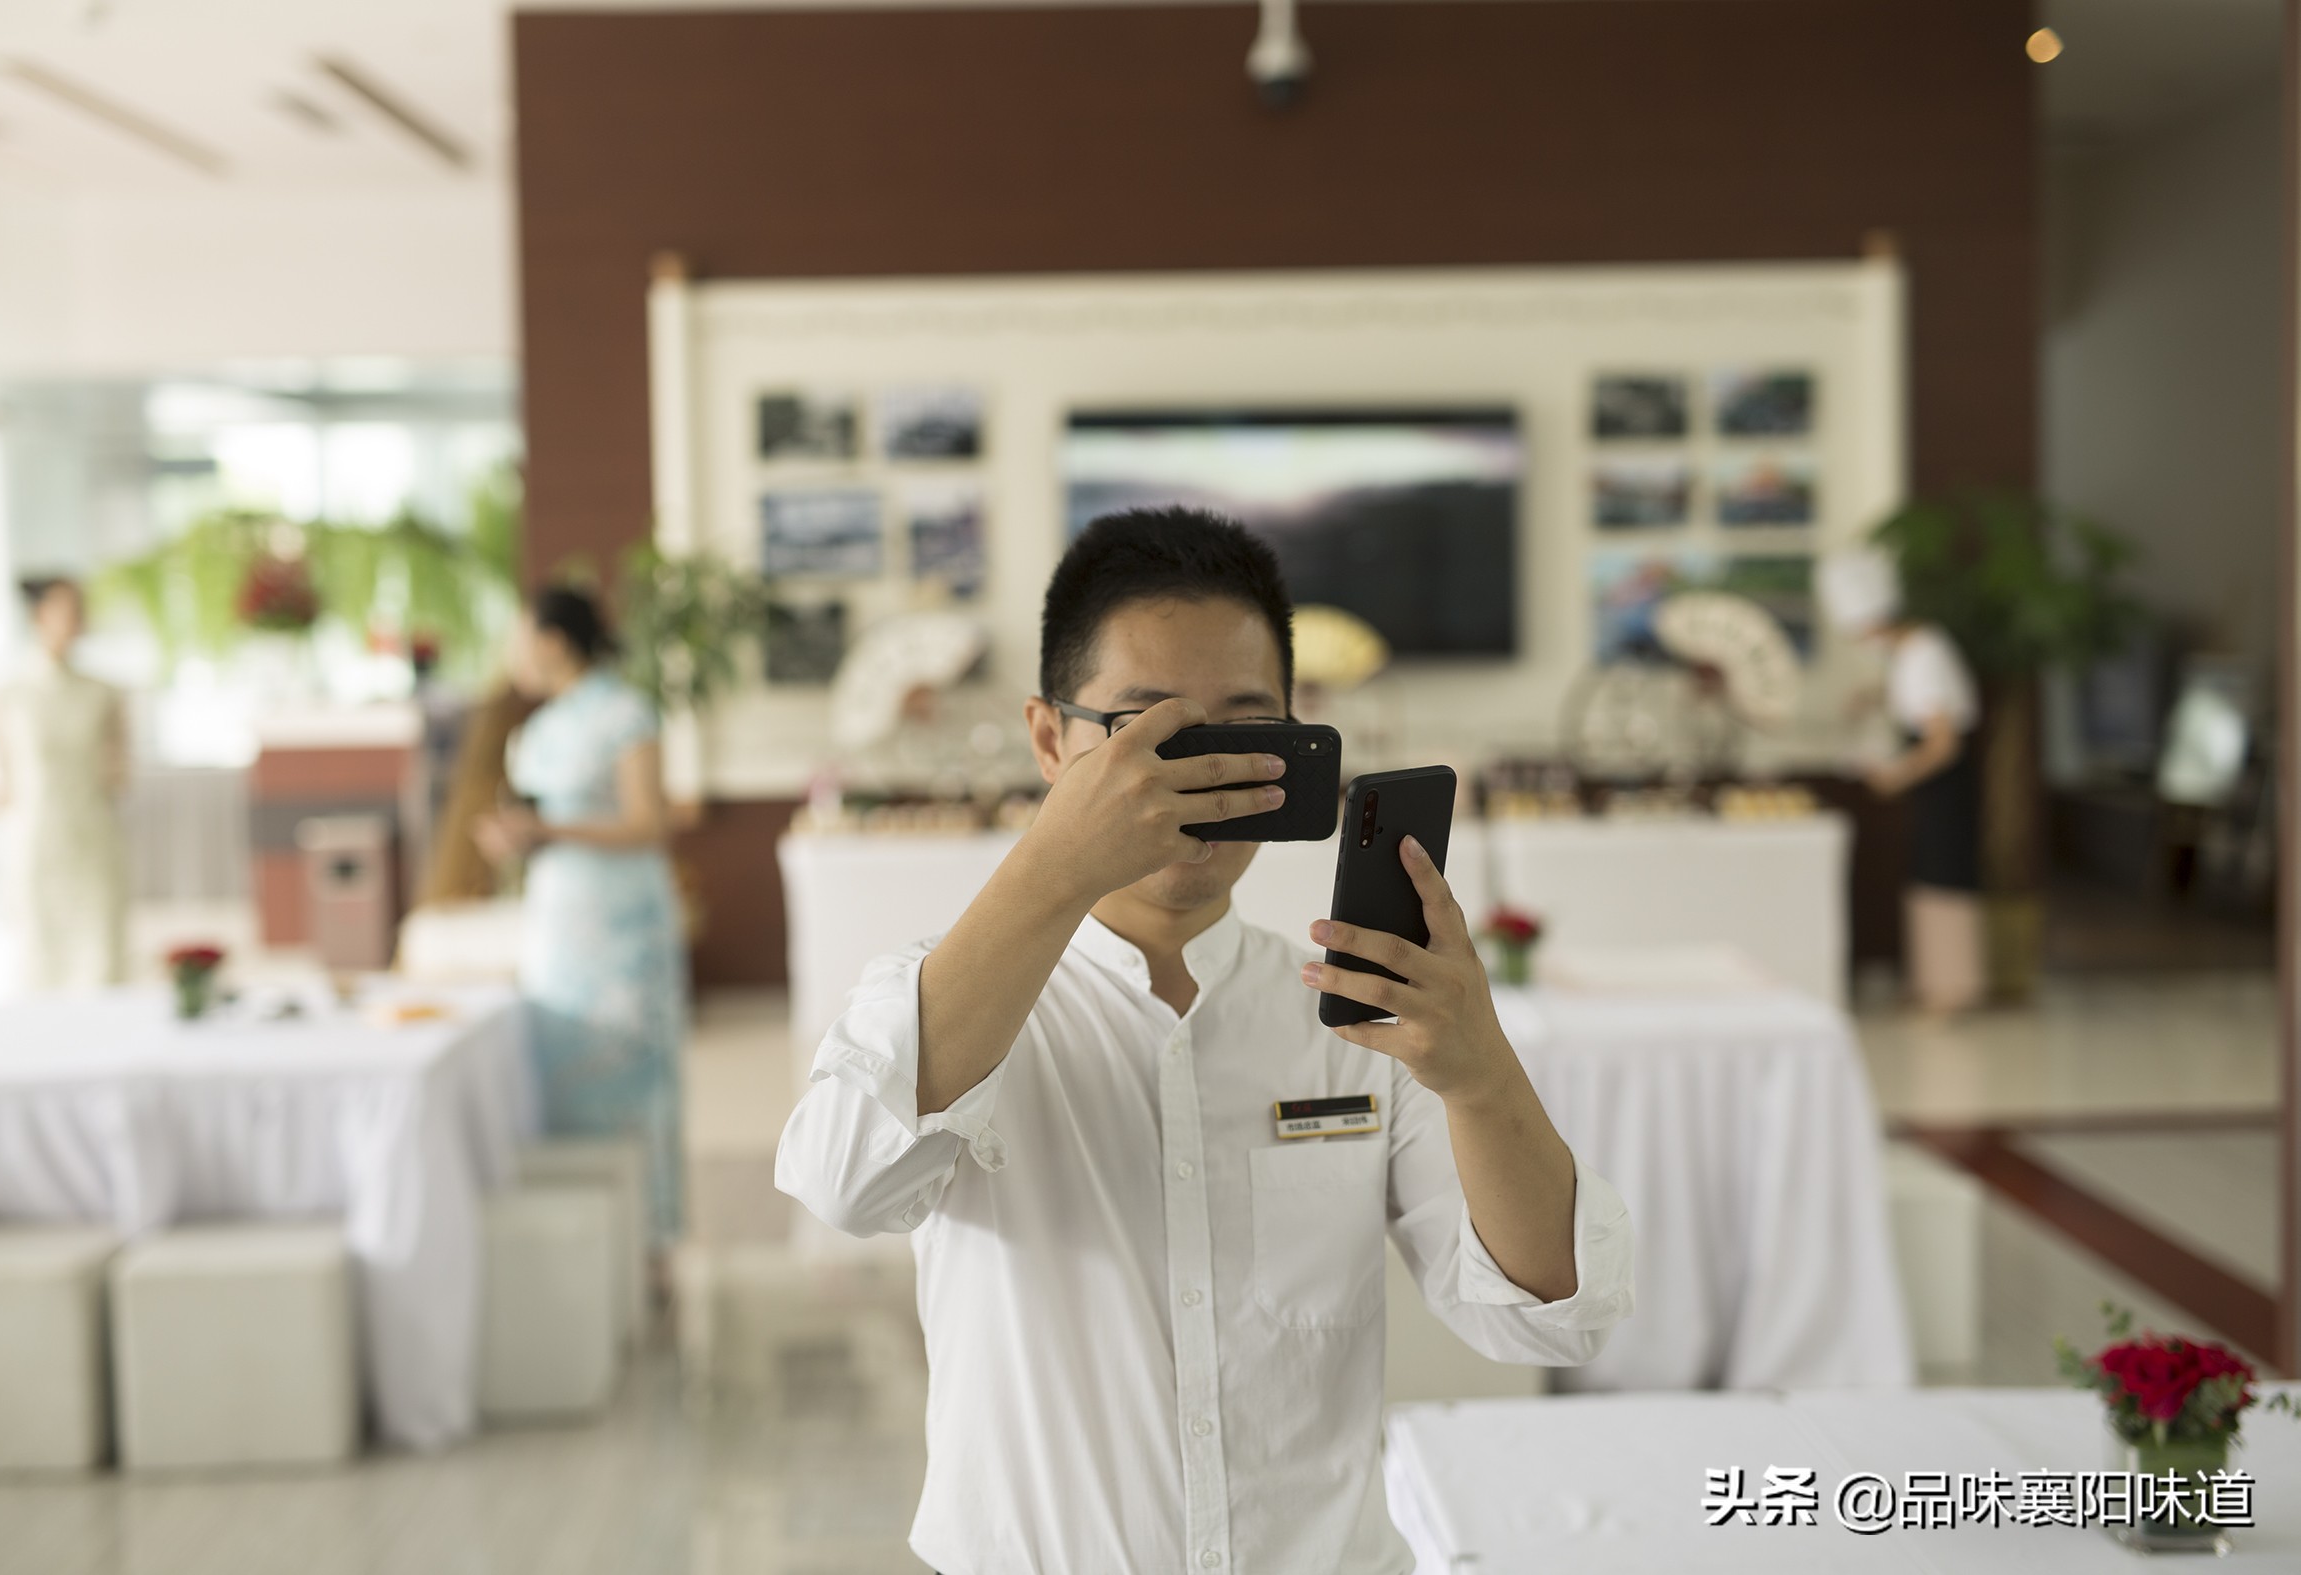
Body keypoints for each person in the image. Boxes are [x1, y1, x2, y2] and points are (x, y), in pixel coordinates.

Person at [777, 508, 1634, 1575]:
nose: (1192, 774)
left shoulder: (1356, 1015)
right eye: (1142, 731)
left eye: (1243, 726)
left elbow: (1551, 1321)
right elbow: (845, 1183)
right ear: (1051, 741)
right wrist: (1057, 864)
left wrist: (1481, 1077)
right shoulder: (943, 995)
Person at [476, 586, 686, 1244]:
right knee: (558, 1064)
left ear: (554, 641)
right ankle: (586, 1239)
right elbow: (542, 820)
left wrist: (548, 827)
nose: (512, 652)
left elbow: (647, 823)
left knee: (631, 1068)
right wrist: (520, 835)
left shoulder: (624, 712)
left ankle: (648, 1237)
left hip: (622, 922)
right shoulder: (537, 727)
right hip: (559, 920)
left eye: (520, 635)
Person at [1818, 548, 1986, 1015]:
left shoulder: (1927, 654)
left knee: (1946, 877)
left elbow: (1942, 742)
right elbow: (1911, 695)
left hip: (1947, 783)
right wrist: (1872, 696)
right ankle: (1931, 982)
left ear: (1875, 622)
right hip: (1932, 785)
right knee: (1925, 876)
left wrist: (1896, 775)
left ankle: (1954, 989)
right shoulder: (1912, 651)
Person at [0, 576, 127, 992]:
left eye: (80, 608)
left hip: (92, 835)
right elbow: (2, 780)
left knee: (101, 957)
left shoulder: (105, 693)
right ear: (39, 615)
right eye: (66, 608)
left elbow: (119, 771)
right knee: (39, 957)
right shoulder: (8, 694)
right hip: (35, 840)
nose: (76, 619)